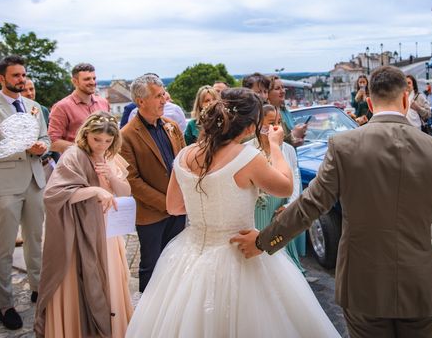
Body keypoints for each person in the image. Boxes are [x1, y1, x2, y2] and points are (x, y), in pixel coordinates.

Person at [231, 66, 432, 338]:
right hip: (418, 283)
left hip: (363, 284)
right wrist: (429, 235)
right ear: (405, 99)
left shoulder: (343, 146)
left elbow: (310, 206)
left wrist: (263, 242)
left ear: (369, 101)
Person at [126, 88, 339, 337]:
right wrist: (275, 146)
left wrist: (203, 203)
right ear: (249, 128)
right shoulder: (248, 157)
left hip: (189, 252)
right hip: (239, 252)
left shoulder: (184, 154)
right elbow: (285, 187)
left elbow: (173, 207)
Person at [35, 111, 133, 337]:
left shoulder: (111, 156)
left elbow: (125, 193)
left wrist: (112, 177)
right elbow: (54, 193)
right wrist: (95, 190)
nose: (101, 145)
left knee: (111, 280)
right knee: (82, 282)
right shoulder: (73, 155)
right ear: (86, 134)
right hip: (81, 231)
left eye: (108, 141)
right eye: (97, 139)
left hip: (108, 231)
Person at [0, 55, 50, 330]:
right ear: (1, 78)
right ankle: (6, 305)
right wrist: (22, 148)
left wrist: (42, 147)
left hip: (35, 181)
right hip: (5, 186)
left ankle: (38, 288)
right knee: (3, 247)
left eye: (23, 75)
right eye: (16, 76)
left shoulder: (33, 106)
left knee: (35, 239)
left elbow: (45, 137)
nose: (22, 80)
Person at [120, 74, 186, 292]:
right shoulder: (126, 135)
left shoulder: (172, 126)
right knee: (151, 264)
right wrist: (166, 202)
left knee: (176, 260)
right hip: (150, 213)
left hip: (178, 209)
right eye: (158, 96)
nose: (164, 100)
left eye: (163, 94)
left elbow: (184, 162)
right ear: (141, 101)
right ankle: (146, 314)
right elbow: (133, 180)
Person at [249, 103, 305, 273]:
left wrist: (289, 206)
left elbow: (295, 178)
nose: (276, 127)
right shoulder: (248, 149)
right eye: (271, 122)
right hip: (257, 212)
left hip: (280, 210)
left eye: (278, 122)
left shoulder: (287, 149)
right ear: (258, 124)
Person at [48, 63, 110, 154]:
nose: (92, 82)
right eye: (87, 79)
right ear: (75, 81)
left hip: (103, 161)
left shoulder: (103, 103)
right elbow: (52, 142)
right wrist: (84, 149)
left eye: (94, 78)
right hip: (76, 163)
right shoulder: (61, 107)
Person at [268, 75, 307, 147]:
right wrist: (294, 135)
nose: (282, 91)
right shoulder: (266, 116)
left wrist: (299, 135)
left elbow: (291, 139)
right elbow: (270, 142)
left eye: (283, 87)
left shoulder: (285, 111)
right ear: (267, 93)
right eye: (277, 88)